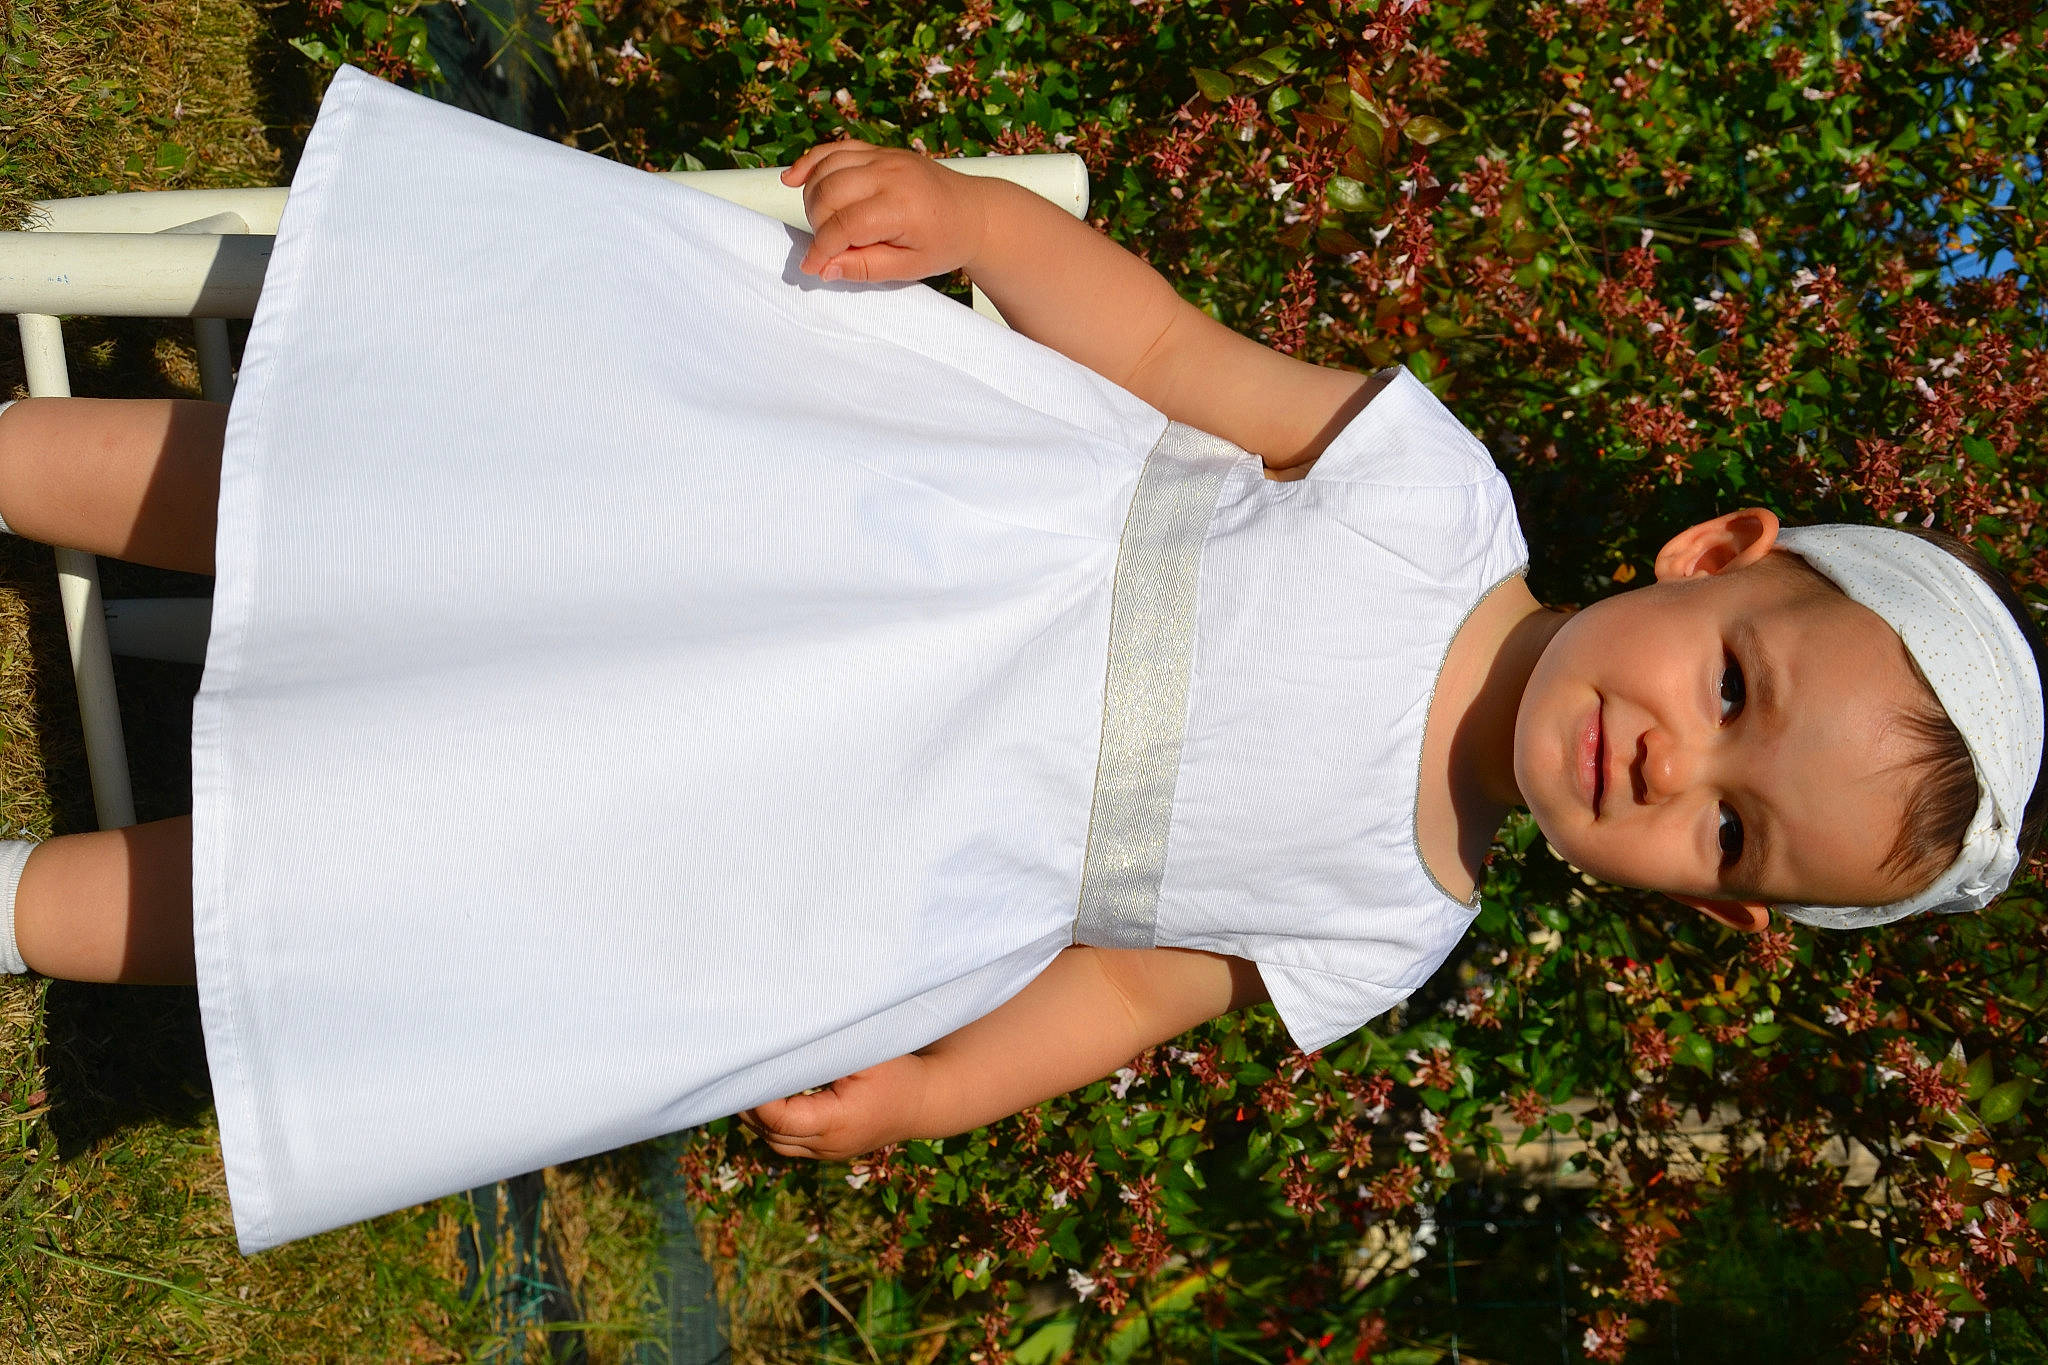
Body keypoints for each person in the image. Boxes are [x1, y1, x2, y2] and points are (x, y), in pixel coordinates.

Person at [0, 64, 2039, 1255]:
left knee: (421, 886)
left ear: (1716, 905)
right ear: (1713, 555)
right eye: (1734, 697)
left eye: (1730, 837)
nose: (1672, 769)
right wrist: (975, 218)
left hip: (850, 833)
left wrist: (931, 1087)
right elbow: (1164, 351)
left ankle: (26, 910)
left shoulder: (1393, 914)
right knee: (422, 501)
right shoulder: (1438, 499)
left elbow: (1129, 978)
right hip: (853, 542)